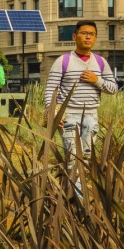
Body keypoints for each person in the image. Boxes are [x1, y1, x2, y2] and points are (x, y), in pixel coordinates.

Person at [43, 21, 119, 161]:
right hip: (68, 116)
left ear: (96, 38)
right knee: (73, 159)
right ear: (74, 36)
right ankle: (74, 183)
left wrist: (97, 80)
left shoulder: (101, 62)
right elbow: (50, 89)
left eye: (92, 34)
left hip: (91, 116)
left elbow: (113, 89)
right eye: (84, 33)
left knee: (86, 158)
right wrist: (52, 110)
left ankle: (75, 183)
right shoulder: (63, 61)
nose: (88, 37)